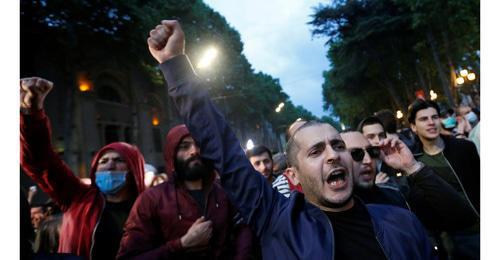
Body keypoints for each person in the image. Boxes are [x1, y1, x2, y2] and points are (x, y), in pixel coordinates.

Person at [147, 20, 435, 259]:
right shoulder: (278, 220)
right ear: (293, 174)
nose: (332, 155)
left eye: (337, 146)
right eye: (315, 152)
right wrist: (176, 66)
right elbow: (223, 148)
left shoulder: (402, 221)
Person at [20, 77, 146, 259]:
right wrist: (32, 114)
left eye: (119, 160)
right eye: (102, 162)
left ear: (134, 168)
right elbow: (40, 160)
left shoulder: (150, 207)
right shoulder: (77, 198)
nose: (109, 165)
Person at [117, 124, 253, 259]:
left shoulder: (225, 193)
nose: (194, 151)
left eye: (199, 145)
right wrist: (181, 244)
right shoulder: (151, 199)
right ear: (172, 153)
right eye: (184, 146)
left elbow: (243, 231)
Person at [408, 99, 480, 259]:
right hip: (452, 239)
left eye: (434, 117)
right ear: (413, 127)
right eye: (423, 119)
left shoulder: (464, 148)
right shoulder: (412, 163)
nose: (431, 122)